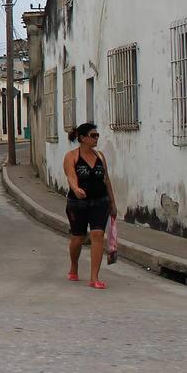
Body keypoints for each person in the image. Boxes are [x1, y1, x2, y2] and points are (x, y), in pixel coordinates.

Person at [63, 122, 118, 290]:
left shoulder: (100, 156)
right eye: (93, 136)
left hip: (100, 202)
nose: (96, 139)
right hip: (77, 204)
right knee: (78, 238)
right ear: (82, 138)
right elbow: (70, 176)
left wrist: (113, 203)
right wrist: (76, 188)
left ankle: (94, 277)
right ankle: (74, 266)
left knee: (97, 235)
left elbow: (106, 180)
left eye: (97, 135)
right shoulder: (71, 156)